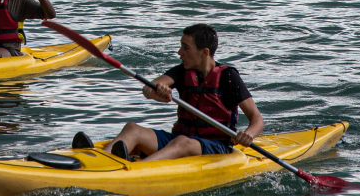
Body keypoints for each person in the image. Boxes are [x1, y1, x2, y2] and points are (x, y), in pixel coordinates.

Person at [103, 24, 262, 161]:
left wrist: (249, 134)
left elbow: (257, 119)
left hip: (215, 146)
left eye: (185, 47)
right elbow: (147, 89)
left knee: (182, 143)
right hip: (178, 140)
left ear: (204, 52)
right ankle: (101, 161)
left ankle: (138, 169)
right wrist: (157, 92)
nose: (179, 52)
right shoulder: (182, 71)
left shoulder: (228, 77)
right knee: (132, 129)